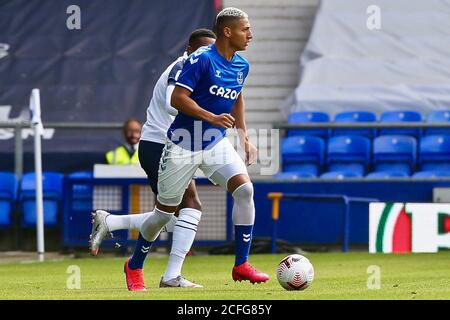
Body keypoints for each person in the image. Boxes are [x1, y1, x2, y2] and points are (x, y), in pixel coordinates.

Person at [124, 7, 269, 291]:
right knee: (164, 215)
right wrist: (211, 117)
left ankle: (241, 265)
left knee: (245, 189)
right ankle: (134, 265)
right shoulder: (200, 60)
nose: (250, 34)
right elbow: (177, 99)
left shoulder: (241, 65)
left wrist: (244, 137)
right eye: (245, 29)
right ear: (227, 32)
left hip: (214, 141)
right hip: (182, 144)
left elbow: (237, 97)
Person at [89, 29, 217, 290]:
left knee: (176, 216)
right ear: (190, 50)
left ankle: (113, 224)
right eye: (204, 50)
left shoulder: (201, 73)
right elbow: (173, 103)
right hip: (159, 145)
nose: (209, 55)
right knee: (185, 209)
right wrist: (207, 112)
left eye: (211, 51)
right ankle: (143, 268)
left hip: (177, 146)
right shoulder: (182, 66)